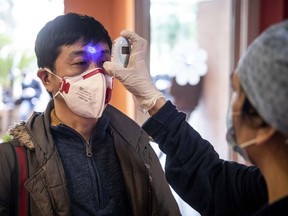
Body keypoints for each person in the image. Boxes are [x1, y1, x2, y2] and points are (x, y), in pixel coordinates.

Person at [0, 13, 181, 216]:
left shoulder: (137, 145)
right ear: (47, 78)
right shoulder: (11, 161)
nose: (97, 76)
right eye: (80, 63)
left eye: (103, 62)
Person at [103, 20, 288, 215]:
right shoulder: (263, 189)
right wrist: (153, 100)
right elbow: (213, 181)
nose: (233, 101)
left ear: (265, 123)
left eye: (237, 90)